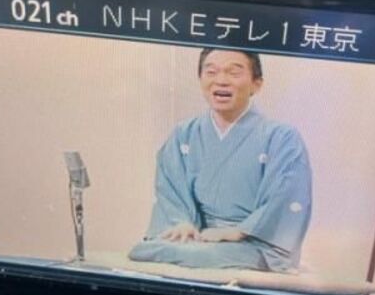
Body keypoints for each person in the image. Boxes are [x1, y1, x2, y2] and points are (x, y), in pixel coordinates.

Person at [128, 48, 312, 272]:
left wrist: (238, 232)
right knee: (144, 250)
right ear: (200, 80)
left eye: (234, 73)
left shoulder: (281, 137)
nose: (221, 81)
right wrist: (182, 223)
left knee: (196, 255)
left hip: (252, 242)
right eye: (211, 72)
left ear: (256, 84)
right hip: (200, 237)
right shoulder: (184, 133)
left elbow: (287, 196)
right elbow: (170, 189)